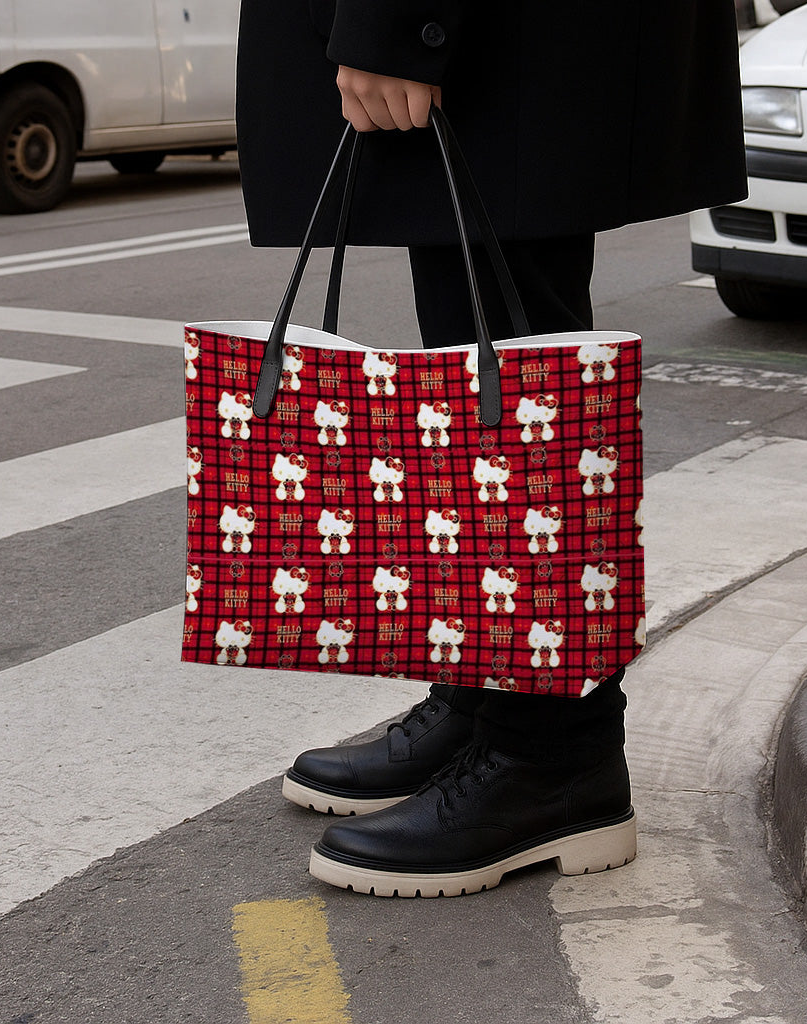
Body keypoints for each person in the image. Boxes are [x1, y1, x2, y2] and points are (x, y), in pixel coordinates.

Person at [235, 0, 747, 896]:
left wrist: (402, 21)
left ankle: (550, 752)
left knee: (519, 368)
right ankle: (487, 698)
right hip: (499, 34)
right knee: (477, 356)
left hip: (498, 34)